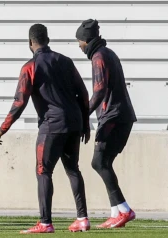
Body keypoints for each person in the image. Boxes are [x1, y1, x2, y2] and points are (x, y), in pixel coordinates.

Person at [0, 24, 91, 234]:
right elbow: (83, 94)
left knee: (43, 171)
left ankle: (45, 223)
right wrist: (85, 124)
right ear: (48, 39)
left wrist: (3, 128)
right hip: (74, 123)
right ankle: (82, 218)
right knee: (73, 169)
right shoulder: (65, 61)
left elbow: (20, 102)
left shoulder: (30, 66)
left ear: (30, 43)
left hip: (52, 125)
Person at [76, 19, 137, 228]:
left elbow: (99, 91)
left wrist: (83, 115)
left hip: (114, 117)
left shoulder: (99, 57)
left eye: (79, 41)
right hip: (120, 116)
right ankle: (115, 212)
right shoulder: (107, 53)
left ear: (87, 40)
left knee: (98, 162)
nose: (79, 46)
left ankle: (125, 210)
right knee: (104, 163)